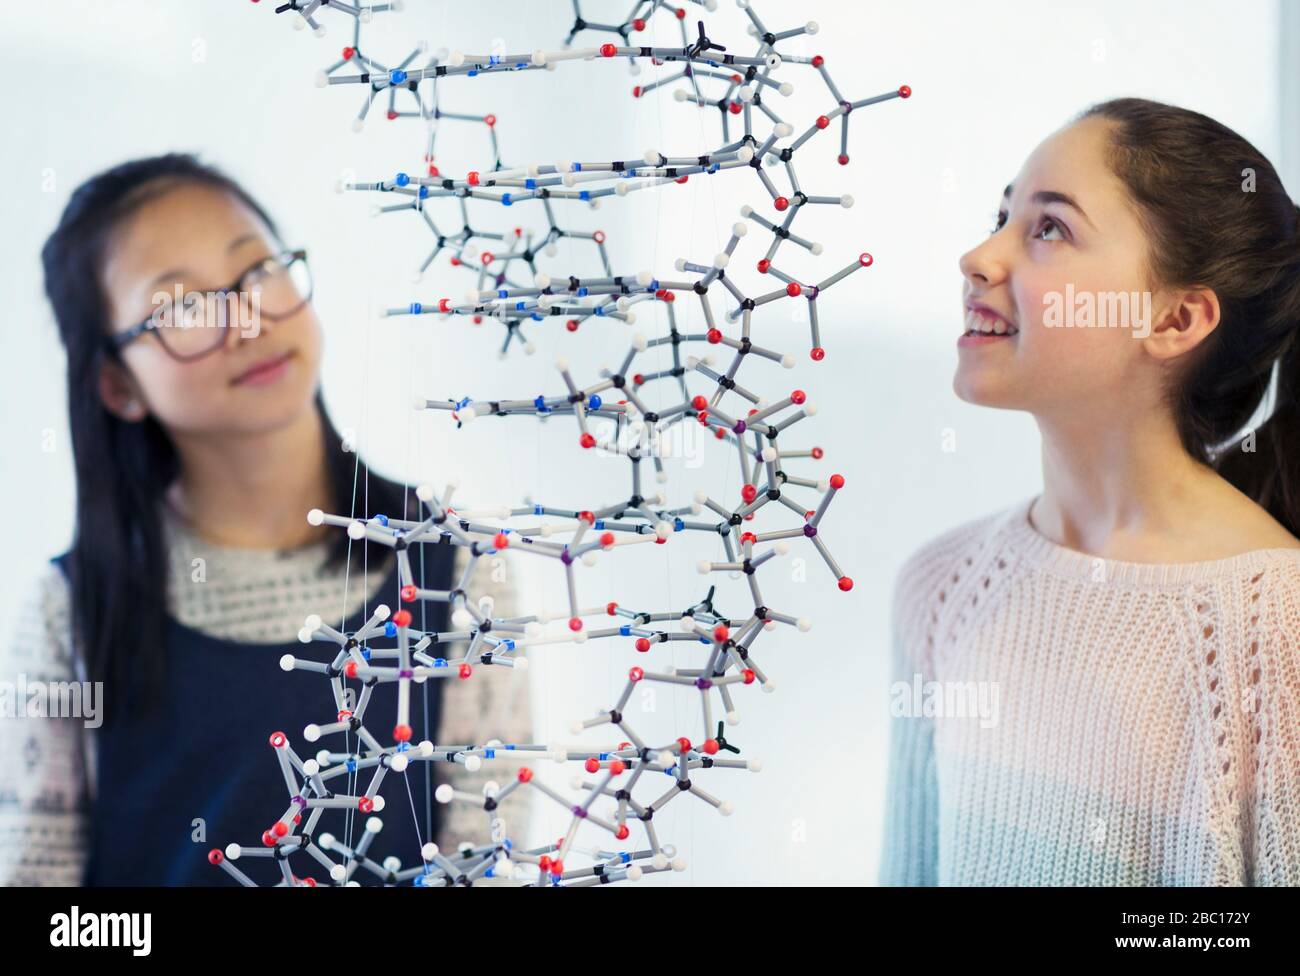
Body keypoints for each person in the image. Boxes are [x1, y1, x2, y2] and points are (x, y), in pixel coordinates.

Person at [1, 153, 533, 886]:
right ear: (117, 385)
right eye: (182, 307)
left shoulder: (454, 569)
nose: (246, 319)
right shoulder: (68, 614)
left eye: (256, 272)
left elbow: (486, 862)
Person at [880, 98, 1300, 885]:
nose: (978, 256)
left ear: (1176, 317)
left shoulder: (1280, 628)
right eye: (1002, 215)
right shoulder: (940, 591)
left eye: (1049, 228)